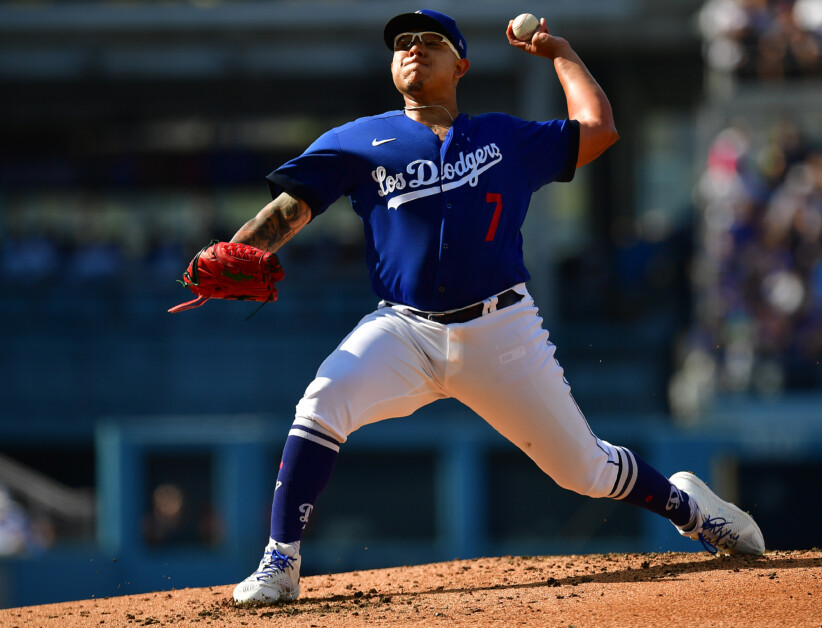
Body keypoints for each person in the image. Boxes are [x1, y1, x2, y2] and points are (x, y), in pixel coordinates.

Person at [226, 9, 764, 605]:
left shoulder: (504, 138)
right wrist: (234, 250)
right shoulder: (358, 140)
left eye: (430, 41)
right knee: (323, 400)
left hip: (501, 328)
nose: (413, 48)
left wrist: (560, 52)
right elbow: (288, 209)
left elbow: (599, 128)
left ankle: (690, 509)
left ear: (461, 65)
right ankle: (281, 562)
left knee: (584, 471)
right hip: (403, 328)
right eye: (402, 42)